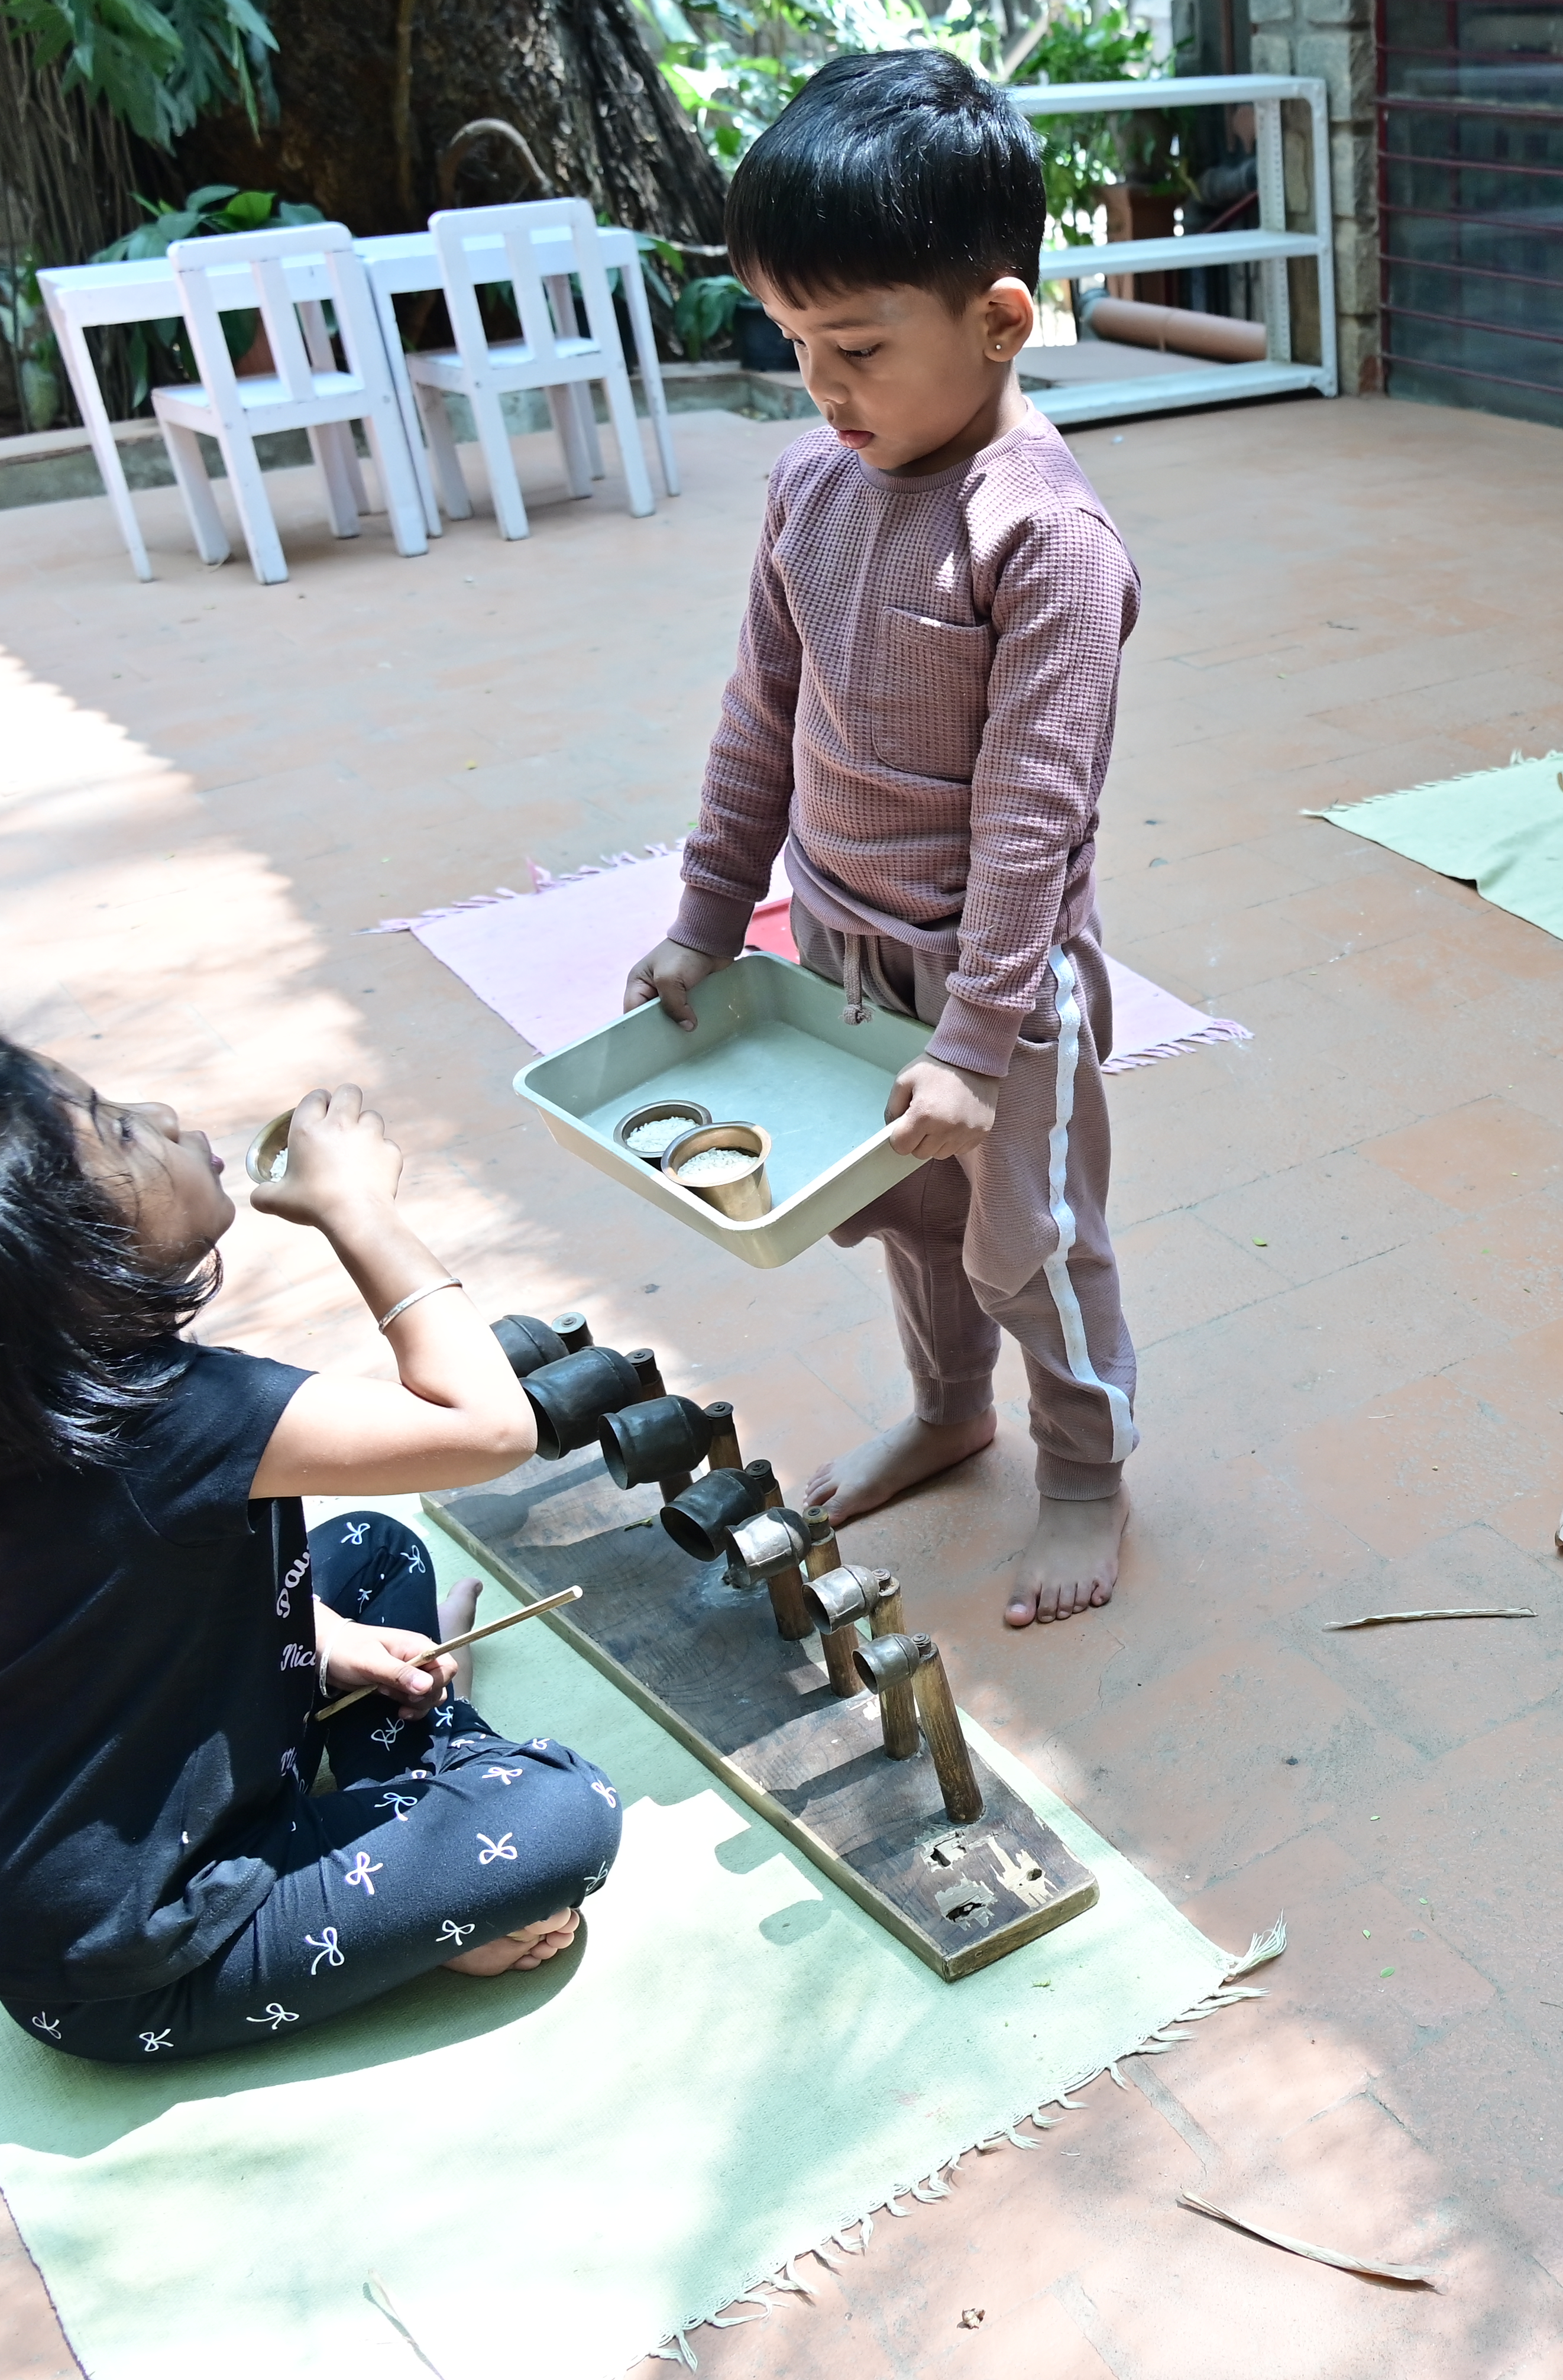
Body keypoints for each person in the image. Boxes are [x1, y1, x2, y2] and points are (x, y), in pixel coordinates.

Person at [0, 1040, 619, 2061]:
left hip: (83, 1835)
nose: (155, 1110)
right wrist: (360, 1211)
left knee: (371, 1551)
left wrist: (320, 1638)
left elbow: (123, 1590)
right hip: (129, 1957)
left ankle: (403, 1752)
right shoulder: (191, 1416)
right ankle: (436, 1771)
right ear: (72, 1267)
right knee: (566, 1815)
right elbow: (489, 1427)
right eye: (114, 1126)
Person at [626, 51, 1143, 1629]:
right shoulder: (810, 487)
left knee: (1028, 1243)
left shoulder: (1044, 541)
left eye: (857, 347)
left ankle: (1081, 1470)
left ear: (999, 320)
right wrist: (714, 915)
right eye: (796, 348)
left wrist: (981, 1040)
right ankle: (948, 1408)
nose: (826, 392)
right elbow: (759, 718)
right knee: (914, 1226)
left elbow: (1034, 819)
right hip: (843, 960)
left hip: (1002, 991)